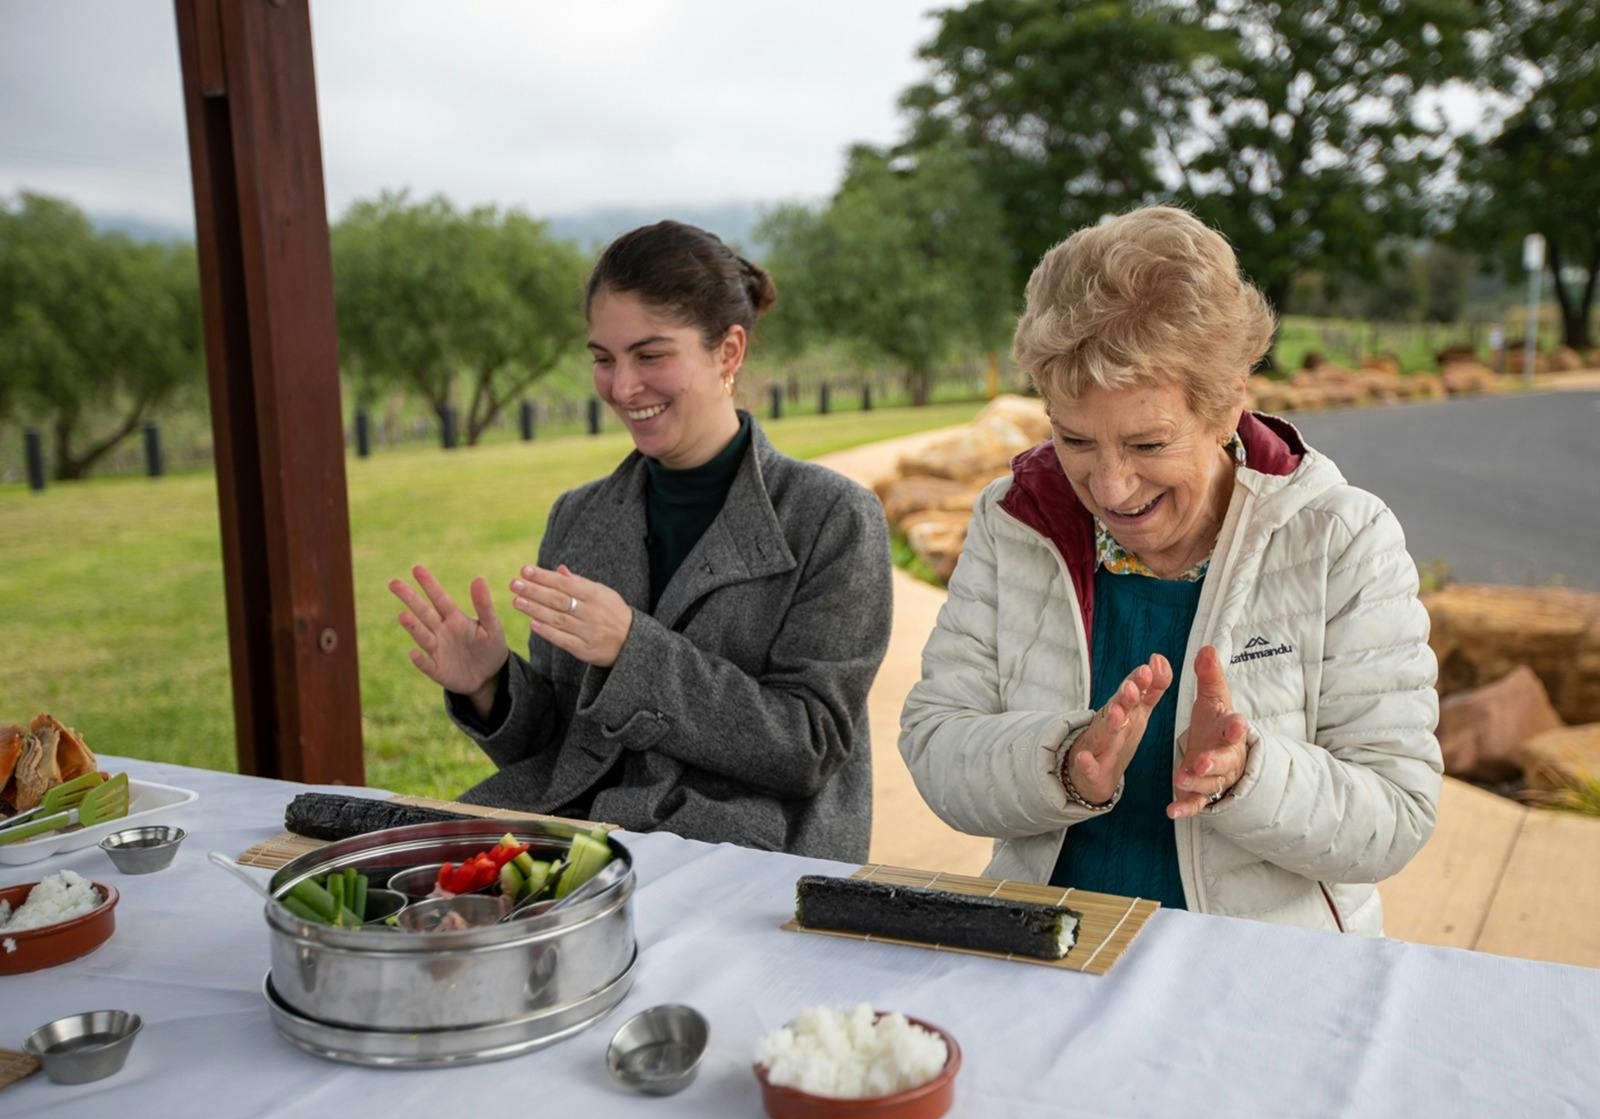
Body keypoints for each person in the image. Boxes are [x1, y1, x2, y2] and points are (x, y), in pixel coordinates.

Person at [899, 206, 1441, 933]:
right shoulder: (1013, 521)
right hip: (1044, 950)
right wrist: (1060, 763)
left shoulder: (1342, 538)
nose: (1111, 486)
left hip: (1255, 973)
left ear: (1227, 406)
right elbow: (937, 743)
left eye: (1148, 444)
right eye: (1075, 440)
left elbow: (1397, 814)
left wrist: (1247, 773)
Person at [391, 221, 892, 861]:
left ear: (728, 352)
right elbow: (565, 751)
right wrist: (491, 687)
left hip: (748, 858)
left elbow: (809, 747)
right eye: (604, 359)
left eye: (650, 356)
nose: (623, 387)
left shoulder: (833, 518)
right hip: (588, 846)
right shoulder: (577, 516)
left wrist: (633, 650)